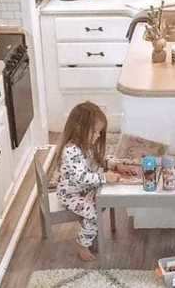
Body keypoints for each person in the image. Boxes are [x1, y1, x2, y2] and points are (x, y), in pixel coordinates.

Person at [56, 102, 120, 261]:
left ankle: (92, 234)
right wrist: (105, 177)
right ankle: (82, 244)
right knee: (93, 213)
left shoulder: (86, 145)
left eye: (99, 132)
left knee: (104, 199)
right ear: (79, 128)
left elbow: (96, 161)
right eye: (95, 132)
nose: (98, 136)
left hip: (83, 190)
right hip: (70, 194)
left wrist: (114, 165)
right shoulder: (71, 151)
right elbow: (82, 177)